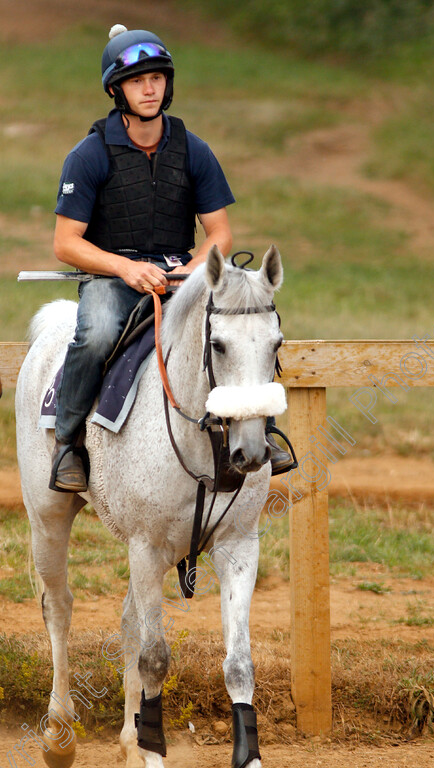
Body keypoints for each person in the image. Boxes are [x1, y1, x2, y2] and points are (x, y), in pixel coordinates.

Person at [51, 24, 294, 493]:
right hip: (113, 274)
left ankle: (261, 431)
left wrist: (190, 269)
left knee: (246, 322)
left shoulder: (193, 150)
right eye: (138, 81)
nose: (149, 88)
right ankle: (68, 442)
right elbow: (66, 243)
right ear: (116, 89)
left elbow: (218, 232)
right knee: (98, 332)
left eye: (157, 78)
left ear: (169, 84)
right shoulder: (89, 154)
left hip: (182, 273)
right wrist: (126, 268)